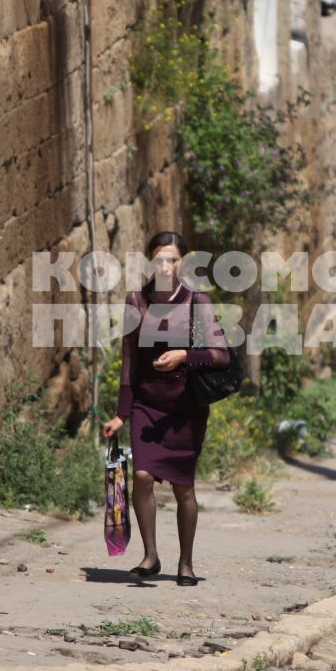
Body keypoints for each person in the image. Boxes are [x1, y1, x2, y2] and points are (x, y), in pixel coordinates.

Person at [102, 232, 231, 586]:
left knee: (183, 488)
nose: (164, 265)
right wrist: (121, 414)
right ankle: (150, 555)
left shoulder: (196, 302)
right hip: (147, 404)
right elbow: (129, 362)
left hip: (185, 408)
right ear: (149, 261)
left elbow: (221, 354)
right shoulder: (136, 300)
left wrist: (185, 354)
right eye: (158, 259)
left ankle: (185, 563)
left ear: (183, 263)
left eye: (172, 259)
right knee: (142, 476)